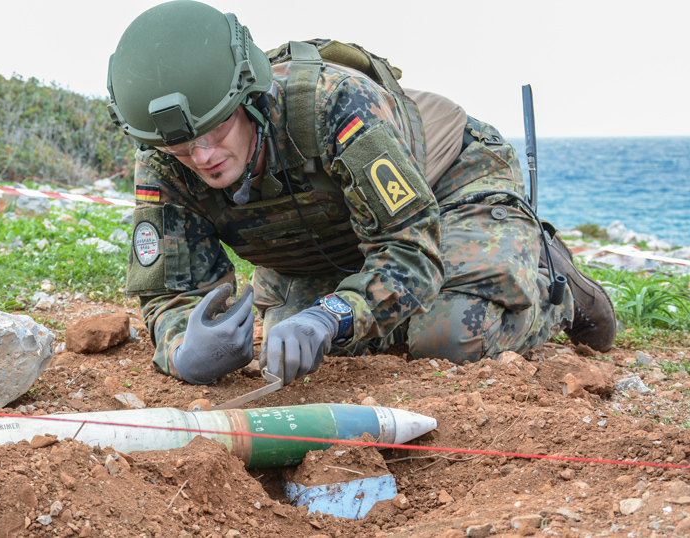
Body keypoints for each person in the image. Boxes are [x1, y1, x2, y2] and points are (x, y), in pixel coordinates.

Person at [107, 0, 616, 386]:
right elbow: (170, 291)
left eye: (216, 129)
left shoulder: (334, 107)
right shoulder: (162, 157)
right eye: (180, 145)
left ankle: (549, 279)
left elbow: (409, 250)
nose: (201, 157)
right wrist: (183, 349)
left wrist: (332, 314)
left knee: (450, 333)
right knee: (295, 336)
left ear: (247, 98)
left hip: (448, 180)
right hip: (339, 230)